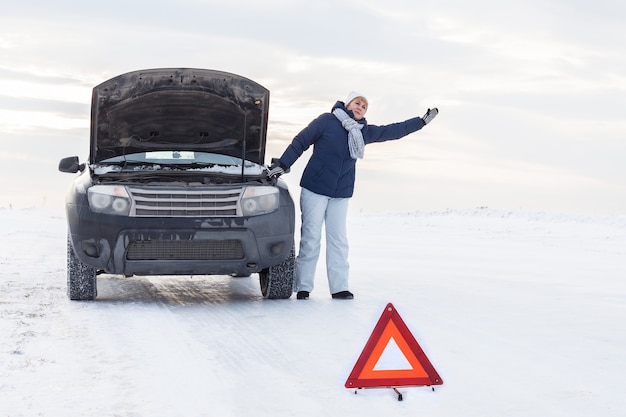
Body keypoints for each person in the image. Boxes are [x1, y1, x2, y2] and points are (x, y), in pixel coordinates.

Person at [267, 92, 438, 300]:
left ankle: (339, 287)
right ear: (348, 103)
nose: (360, 108)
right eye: (357, 103)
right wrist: (283, 165)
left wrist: (420, 122)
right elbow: (301, 141)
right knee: (311, 238)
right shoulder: (326, 121)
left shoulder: (362, 131)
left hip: (341, 192)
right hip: (315, 188)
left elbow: (392, 131)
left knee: (338, 239)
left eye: (364, 107)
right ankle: (304, 286)